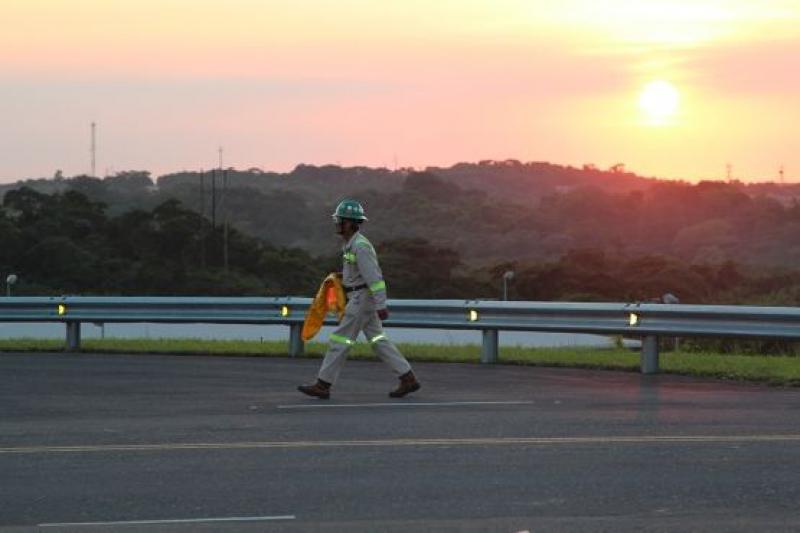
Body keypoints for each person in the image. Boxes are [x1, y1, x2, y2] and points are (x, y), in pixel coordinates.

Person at [298, 199, 421, 400]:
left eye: (340, 220)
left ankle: (323, 384)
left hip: (362, 299)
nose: (337, 224)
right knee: (378, 341)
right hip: (360, 296)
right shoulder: (350, 244)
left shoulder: (360, 246)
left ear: (350, 223)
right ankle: (408, 378)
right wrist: (344, 278)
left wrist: (381, 304)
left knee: (339, 340)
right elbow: (359, 272)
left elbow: (375, 278)